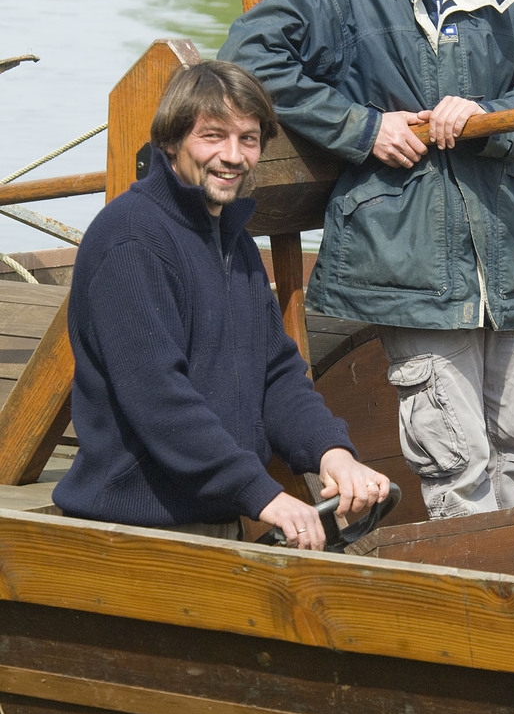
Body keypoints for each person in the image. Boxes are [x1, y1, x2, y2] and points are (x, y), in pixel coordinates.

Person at [219, 0, 514, 577]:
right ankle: (490, 640)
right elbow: (247, 56)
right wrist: (360, 126)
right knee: (459, 460)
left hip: (502, 256)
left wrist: (489, 117)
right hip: (410, 259)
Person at [53, 59, 390, 550]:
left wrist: (332, 453)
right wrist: (263, 494)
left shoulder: (235, 243)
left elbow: (275, 374)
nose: (233, 156)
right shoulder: (130, 240)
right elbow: (158, 398)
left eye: (248, 139)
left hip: (217, 523)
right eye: (213, 136)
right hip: (131, 533)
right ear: (171, 142)